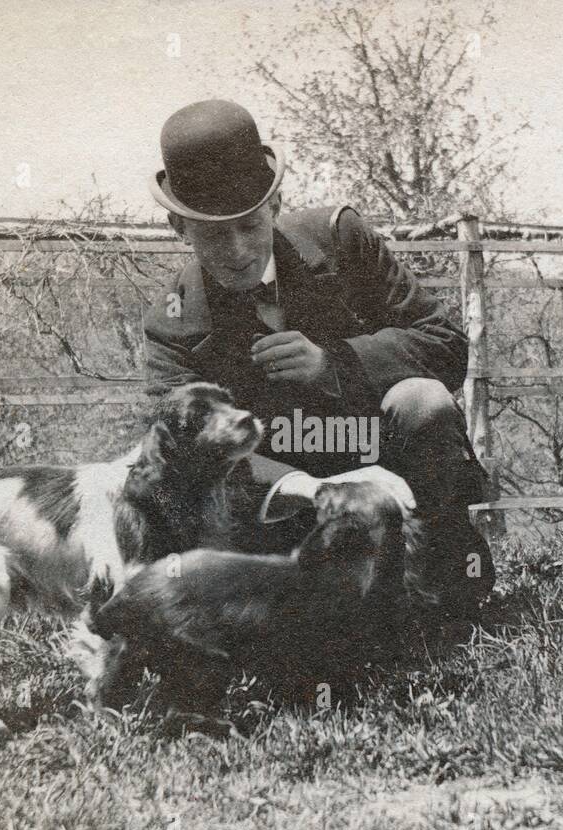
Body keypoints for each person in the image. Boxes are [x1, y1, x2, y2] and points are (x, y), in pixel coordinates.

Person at [141, 98, 493, 618]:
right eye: (214, 234)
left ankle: (439, 590)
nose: (238, 250)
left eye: (250, 225)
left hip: (387, 464)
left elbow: (444, 343)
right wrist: (313, 489)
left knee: (423, 400)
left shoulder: (340, 238)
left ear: (277, 205)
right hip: (279, 512)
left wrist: (337, 365)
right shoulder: (172, 325)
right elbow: (187, 457)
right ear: (178, 228)